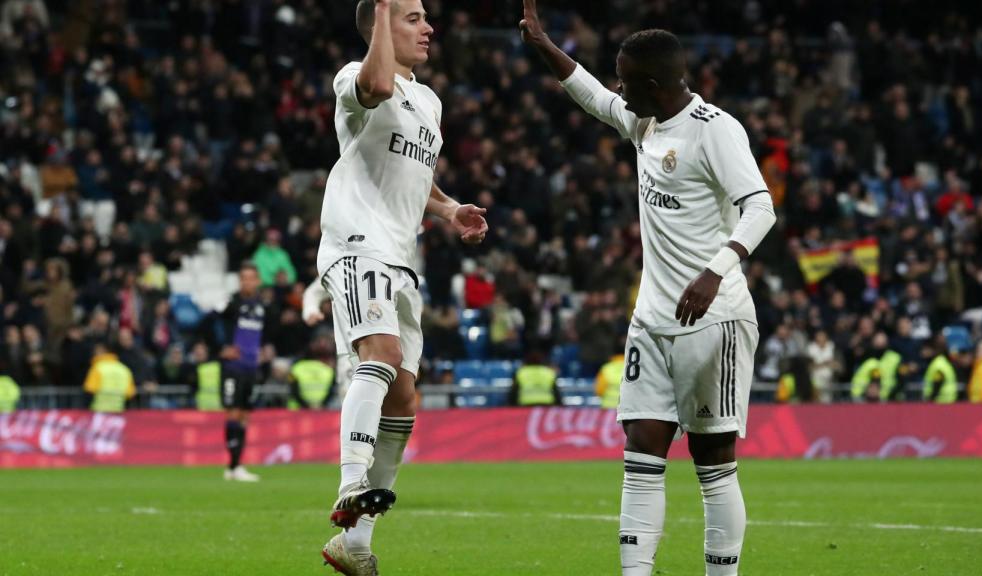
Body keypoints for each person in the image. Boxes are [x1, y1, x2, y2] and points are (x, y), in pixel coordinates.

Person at [522, 4, 777, 574]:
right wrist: (542, 42)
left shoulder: (717, 130)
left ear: (656, 85)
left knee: (712, 461)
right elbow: (591, 95)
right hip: (653, 319)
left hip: (716, 319)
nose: (619, 88)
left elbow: (760, 208)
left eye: (627, 80)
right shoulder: (645, 123)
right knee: (640, 454)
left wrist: (716, 269)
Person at [317, 1, 489, 573]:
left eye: (424, 17)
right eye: (411, 17)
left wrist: (446, 210)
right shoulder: (354, 76)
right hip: (356, 242)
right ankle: (348, 484)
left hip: (401, 256)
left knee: (405, 396)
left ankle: (356, 542)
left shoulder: (430, 101)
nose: (429, 27)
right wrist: (384, 5)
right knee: (382, 356)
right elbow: (375, 82)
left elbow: (416, 173)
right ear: (380, 26)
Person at [218, 262, 275, 482]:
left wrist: (266, 349)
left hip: (251, 366)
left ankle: (235, 466)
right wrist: (222, 347)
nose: (247, 282)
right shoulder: (231, 302)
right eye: (243, 278)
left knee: (244, 415)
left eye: (251, 278)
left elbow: (269, 332)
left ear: (257, 281)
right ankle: (234, 465)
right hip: (232, 367)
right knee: (232, 412)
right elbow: (210, 324)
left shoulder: (263, 305)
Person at [82, 342, 135, 413]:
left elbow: (89, 390)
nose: (93, 353)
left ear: (104, 351)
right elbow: (130, 394)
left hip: (99, 410)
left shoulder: (97, 367)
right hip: (119, 411)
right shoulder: (124, 369)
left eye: (96, 351)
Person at [921, 338, 957, 403]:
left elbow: (938, 382)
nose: (922, 352)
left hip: (941, 401)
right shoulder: (941, 361)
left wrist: (931, 398)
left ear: (932, 350)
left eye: (925, 349)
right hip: (946, 400)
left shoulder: (938, 364)